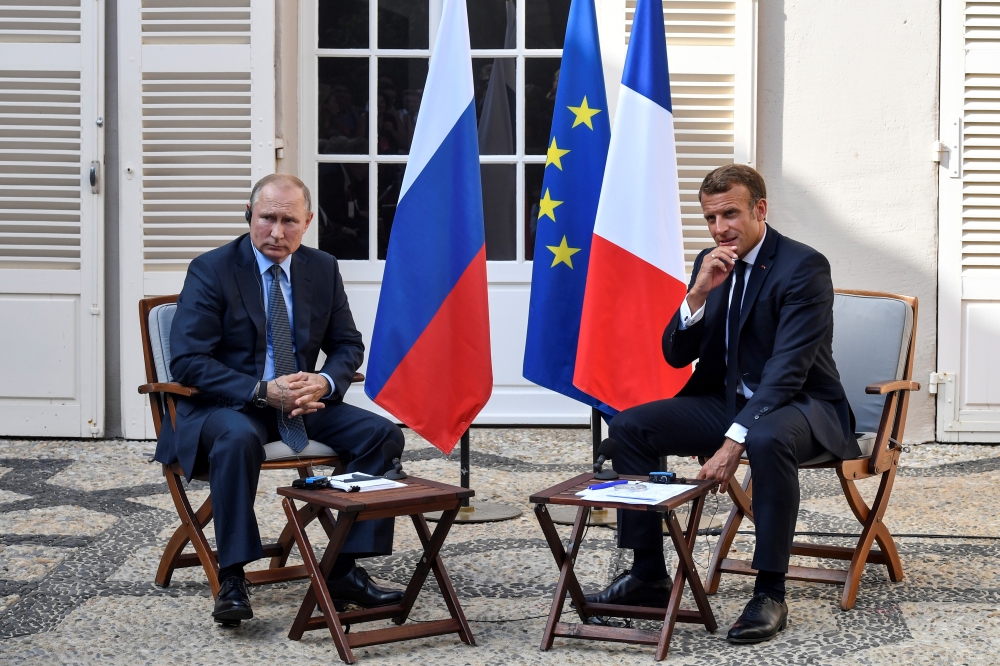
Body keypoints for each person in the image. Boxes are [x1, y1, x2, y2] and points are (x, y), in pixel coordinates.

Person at [585, 164, 858, 644]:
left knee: (767, 436)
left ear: (760, 209)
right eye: (710, 219)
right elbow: (676, 355)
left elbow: (788, 372)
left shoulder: (804, 267)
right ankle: (648, 573)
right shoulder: (712, 263)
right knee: (629, 427)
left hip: (802, 406)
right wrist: (697, 294)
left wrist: (735, 440)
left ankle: (770, 592)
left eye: (729, 215)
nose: (719, 229)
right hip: (728, 401)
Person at [154, 174, 406, 625]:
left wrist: (325, 382)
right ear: (248, 215)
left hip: (301, 407)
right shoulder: (211, 269)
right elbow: (189, 361)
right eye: (267, 218)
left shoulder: (322, 268)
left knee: (381, 434)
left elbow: (348, 344)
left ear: (307, 222)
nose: (276, 231)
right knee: (236, 441)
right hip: (227, 407)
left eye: (289, 220)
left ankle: (343, 569)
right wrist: (261, 390)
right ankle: (231, 577)